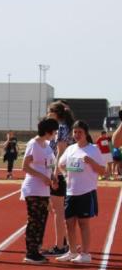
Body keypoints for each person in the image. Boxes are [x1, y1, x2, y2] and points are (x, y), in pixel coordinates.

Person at [55, 120, 103, 264]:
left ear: (86, 133)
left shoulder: (93, 149)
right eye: (74, 132)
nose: (76, 135)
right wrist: (64, 174)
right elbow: (60, 164)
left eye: (79, 132)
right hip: (71, 192)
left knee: (83, 224)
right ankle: (72, 251)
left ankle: (86, 254)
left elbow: (102, 170)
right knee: (68, 223)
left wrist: (91, 162)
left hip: (86, 192)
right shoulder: (70, 149)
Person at [20, 118, 59, 264]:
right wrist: (43, 177)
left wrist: (53, 178)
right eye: (54, 131)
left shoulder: (47, 145)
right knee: (34, 221)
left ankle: (36, 250)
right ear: (48, 131)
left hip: (44, 189)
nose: (55, 134)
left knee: (41, 220)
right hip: (33, 188)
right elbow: (25, 167)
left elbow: (48, 166)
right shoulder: (33, 144)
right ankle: (30, 253)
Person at [44, 101, 74, 255]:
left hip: (59, 172)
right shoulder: (59, 127)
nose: (47, 113)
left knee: (58, 211)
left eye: (49, 111)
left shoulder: (61, 128)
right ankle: (65, 242)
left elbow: (61, 151)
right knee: (55, 209)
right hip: (57, 171)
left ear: (56, 113)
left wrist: (55, 174)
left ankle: (60, 246)